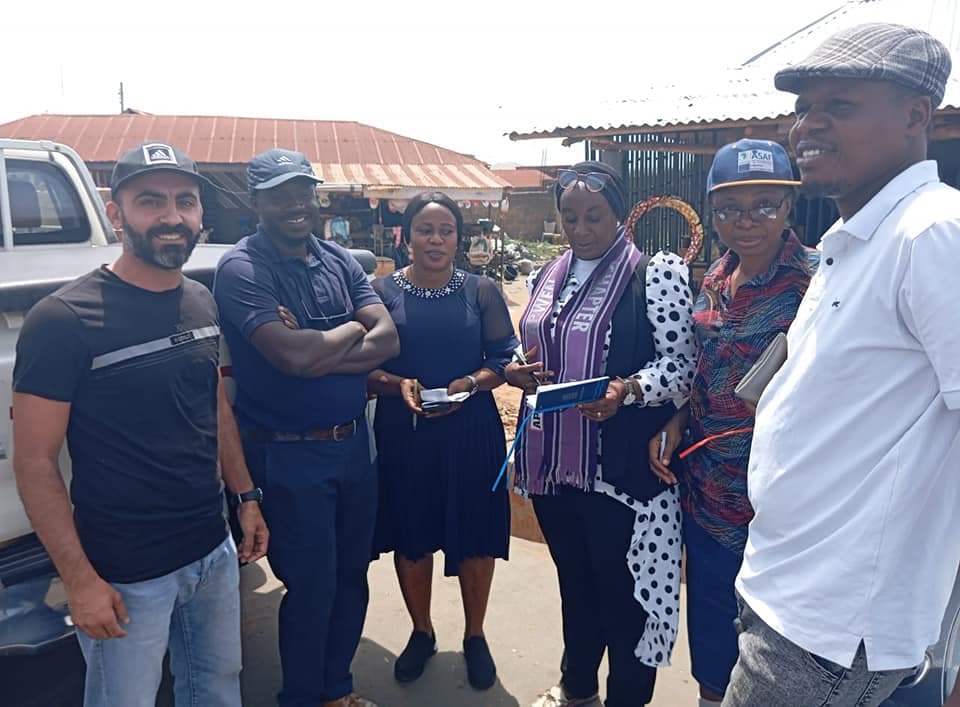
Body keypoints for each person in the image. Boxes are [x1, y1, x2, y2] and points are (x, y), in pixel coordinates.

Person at [722, 24, 960, 707]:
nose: (807, 126)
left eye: (840, 105)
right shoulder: (857, 239)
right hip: (789, 596)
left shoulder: (932, 233)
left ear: (919, 115)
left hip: (830, 631)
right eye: (802, 108)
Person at [12, 142, 268, 707]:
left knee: (218, 689)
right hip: (127, 571)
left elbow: (214, 408)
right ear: (115, 213)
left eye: (185, 201)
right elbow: (34, 463)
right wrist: (80, 581)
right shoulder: (64, 320)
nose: (172, 217)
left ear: (202, 214)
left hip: (212, 551)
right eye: (150, 201)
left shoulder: (200, 301)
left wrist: (245, 495)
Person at [505, 161, 697, 707]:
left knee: (625, 605)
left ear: (619, 215)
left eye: (594, 216)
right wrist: (518, 368)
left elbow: (683, 366)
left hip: (619, 477)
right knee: (576, 587)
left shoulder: (654, 274)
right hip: (552, 469)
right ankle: (578, 690)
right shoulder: (550, 275)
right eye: (570, 217)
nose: (581, 229)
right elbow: (537, 346)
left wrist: (627, 391)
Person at [213, 148, 399, 707]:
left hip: (351, 448)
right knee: (313, 587)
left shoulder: (339, 259)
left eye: (302, 190)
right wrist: (347, 329)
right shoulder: (243, 268)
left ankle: (336, 691)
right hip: (289, 457)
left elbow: (388, 339)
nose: (295, 203)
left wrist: (319, 342)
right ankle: (300, 697)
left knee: (351, 578)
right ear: (257, 201)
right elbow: (290, 358)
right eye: (279, 193)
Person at [647, 139, 816, 707]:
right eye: (730, 210)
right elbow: (700, 367)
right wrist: (675, 417)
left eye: (764, 205)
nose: (746, 223)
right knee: (714, 616)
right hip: (709, 493)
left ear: (789, 206)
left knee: (778, 639)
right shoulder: (714, 279)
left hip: (784, 502)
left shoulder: (821, 284)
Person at [365, 192, 519, 690]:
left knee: (475, 535)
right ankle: (422, 631)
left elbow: (501, 359)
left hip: (471, 431)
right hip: (404, 432)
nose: (436, 239)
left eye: (446, 230)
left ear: (459, 237)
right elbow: (361, 363)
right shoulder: (378, 292)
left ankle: (476, 635)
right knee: (412, 536)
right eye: (425, 230)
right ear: (405, 236)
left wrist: (471, 383)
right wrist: (396, 385)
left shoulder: (482, 291)